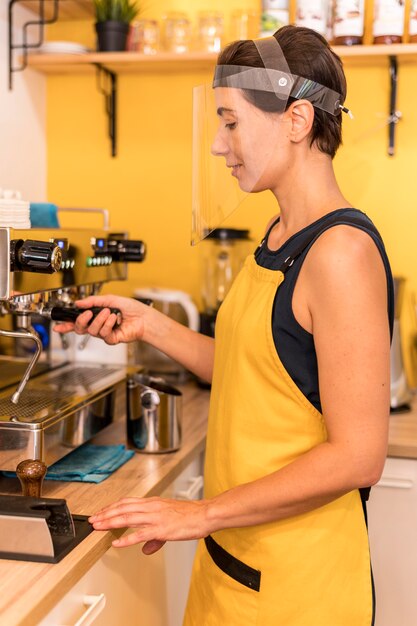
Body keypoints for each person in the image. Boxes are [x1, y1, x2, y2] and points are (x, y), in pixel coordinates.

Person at [54, 25, 393, 626]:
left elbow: (359, 456)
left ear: (295, 121)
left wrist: (198, 514)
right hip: (234, 560)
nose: (217, 143)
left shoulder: (340, 252)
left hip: (299, 585)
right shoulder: (278, 236)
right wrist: (150, 325)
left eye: (231, 122)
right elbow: (254, 369)